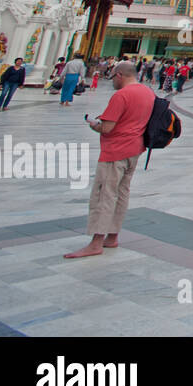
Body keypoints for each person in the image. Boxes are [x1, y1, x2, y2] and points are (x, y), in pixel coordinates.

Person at [65, 61, 154, 258]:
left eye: (113, 77)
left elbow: (107, 127)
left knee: (105, 194)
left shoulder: (122, 95)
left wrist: (94, 124)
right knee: (122, 193)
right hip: (135, 149)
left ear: (120, 75)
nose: (112, 81)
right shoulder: (148, 92)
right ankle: (112, 236)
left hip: (116, 150)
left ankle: (96, 242)